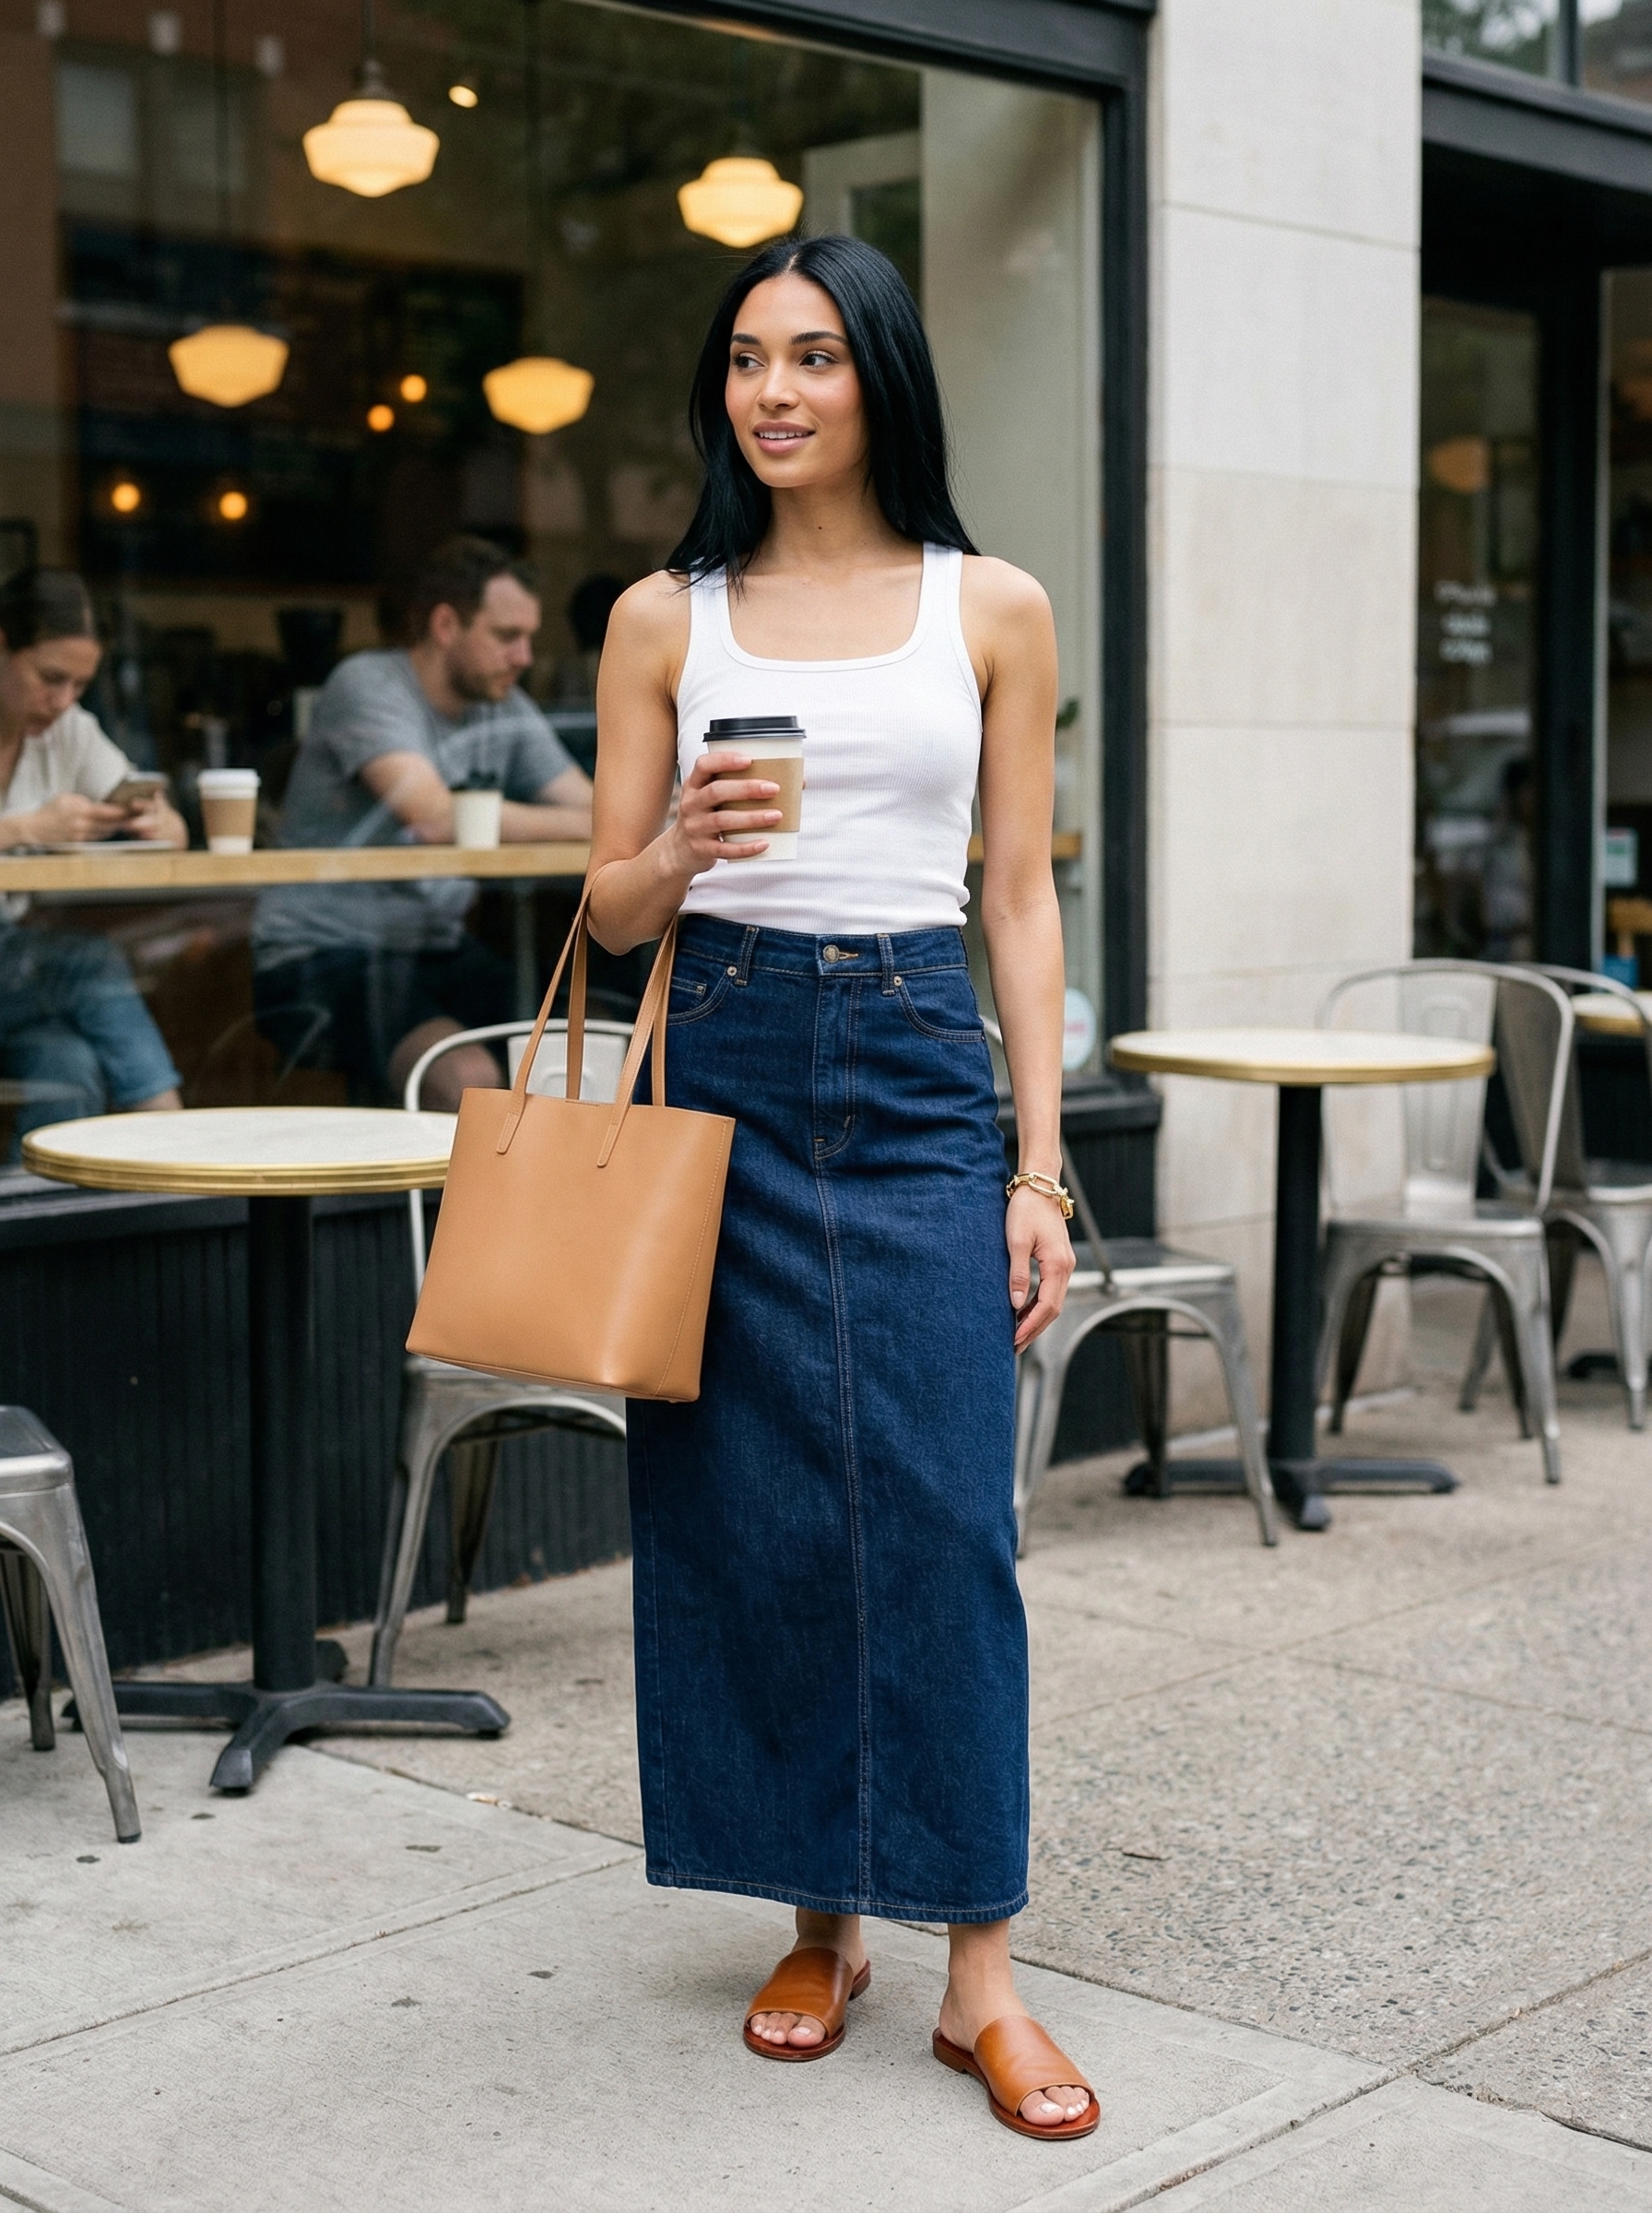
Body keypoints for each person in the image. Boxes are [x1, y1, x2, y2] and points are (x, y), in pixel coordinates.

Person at [587, 236, 1092, 2137]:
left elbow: (1019, 896)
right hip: (715, 1048)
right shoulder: (663, 616)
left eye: (810, 357)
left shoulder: (992, 605)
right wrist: (679, 852)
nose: (772, 392)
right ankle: (817, 1921)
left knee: (947, 1517)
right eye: (741, 361)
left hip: (907, 1065)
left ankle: (980, 1970)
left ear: (878, 375)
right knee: (757, 1514)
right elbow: (604, 907)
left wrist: (1038, 1163)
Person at [253, 537, 594, 1108]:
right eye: (507, 636)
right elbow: (434, 817)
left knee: (592, 1053)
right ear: (444, 625)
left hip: (436, 946)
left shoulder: (501, 703)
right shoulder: (369, 684)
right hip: (321, 954)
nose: (526, 657)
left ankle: (550, 1202)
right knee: (467, 1078)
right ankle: (445, 1203)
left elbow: (590, 805)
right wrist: (584, 820)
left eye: (529, 638)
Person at [0, 566, 184, 1144]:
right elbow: (33, 827)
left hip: (12, 970)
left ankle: (45, 1232)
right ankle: (175, 1140)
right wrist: (30, 827)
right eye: (51, 678)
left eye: (79, 686)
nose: (62, 701)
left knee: (68, 1066)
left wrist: (155, 821)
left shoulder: (67, 731)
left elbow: (172, 826)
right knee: (88, 959)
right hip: (20, 963)